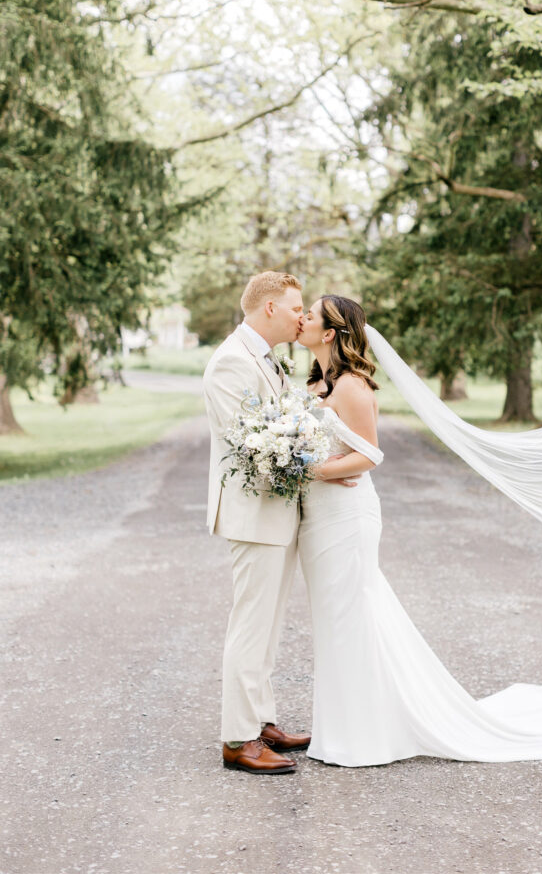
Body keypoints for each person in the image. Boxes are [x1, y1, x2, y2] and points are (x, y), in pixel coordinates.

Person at [296, 294, 542, 767]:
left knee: (352, 614)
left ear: (330, 332)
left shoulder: (351, 386)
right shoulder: (315, 386)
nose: (302, 318)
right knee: (335, 619)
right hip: (321, 519)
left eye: (310, 313)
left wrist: (313, 472)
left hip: (347, 516)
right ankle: (346, 726)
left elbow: (370, 456)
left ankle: (364, 734)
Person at [202, 271, 310, 775]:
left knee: (267, 627)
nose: (301, 316)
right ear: (269, 308)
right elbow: (250, 444)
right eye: (295, 307)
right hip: (253, 514)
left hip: (277, 512)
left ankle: (262, 721)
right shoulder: (229, 362)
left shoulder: (267, 360)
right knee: (250, 627)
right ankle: (238, 740)